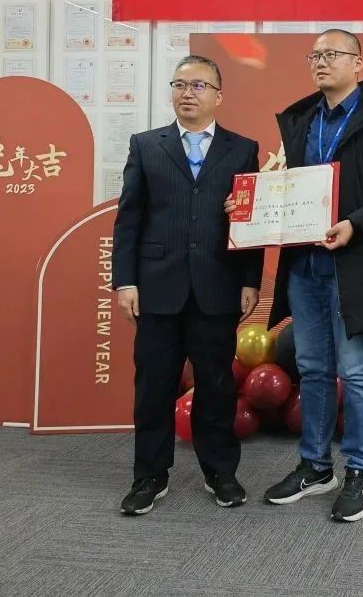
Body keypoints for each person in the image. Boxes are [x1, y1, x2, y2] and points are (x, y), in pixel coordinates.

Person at [229, 29, 363, 522]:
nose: (321, 61)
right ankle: (316, 466)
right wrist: (248, 209)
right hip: (305, 267)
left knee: (357, 373)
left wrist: (356, 224)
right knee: (314, 370)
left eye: (332, 54)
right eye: (314, 55)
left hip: (356, 268)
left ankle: (361, 471)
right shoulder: (303, 120)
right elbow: (294, 192)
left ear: (357, 63)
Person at [113, 55, 264, 516]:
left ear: (218, 95)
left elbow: (250, 219)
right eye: (180, 84)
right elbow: (129, 219)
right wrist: (125, 281)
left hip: (217, 285)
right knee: (153, 387)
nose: (187, 93)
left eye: (199, 85)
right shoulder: (146, 145)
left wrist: (250, 280)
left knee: (216, 386)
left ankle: (220, 472)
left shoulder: (243, 149)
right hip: (157, 287)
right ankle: (149, 476)